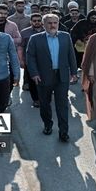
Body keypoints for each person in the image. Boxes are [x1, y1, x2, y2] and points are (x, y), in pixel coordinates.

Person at [26, 14, 78, 142]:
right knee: (45, 104)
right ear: (44, 25)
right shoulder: (35, 39)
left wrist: (74, 72)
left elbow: (71, 54)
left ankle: (64, 132)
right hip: (43, 77)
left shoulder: (65, 37)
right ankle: (48, 125)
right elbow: (30, 57)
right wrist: (34, 73)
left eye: (55, 22)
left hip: (62, 76)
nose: (52, 25)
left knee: (62, 104)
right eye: (49, 23)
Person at [20, 13, 44, 107]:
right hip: (30, 61)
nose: (37, 22)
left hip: (45, 61)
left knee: (45, 80)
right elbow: (21, 47)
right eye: (34, 21)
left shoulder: (47, 31)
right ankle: (36, 99)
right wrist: (21, 60)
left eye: (39, 20)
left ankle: (44, 97)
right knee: (32, 81)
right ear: (31, 22)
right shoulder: (25, 32)